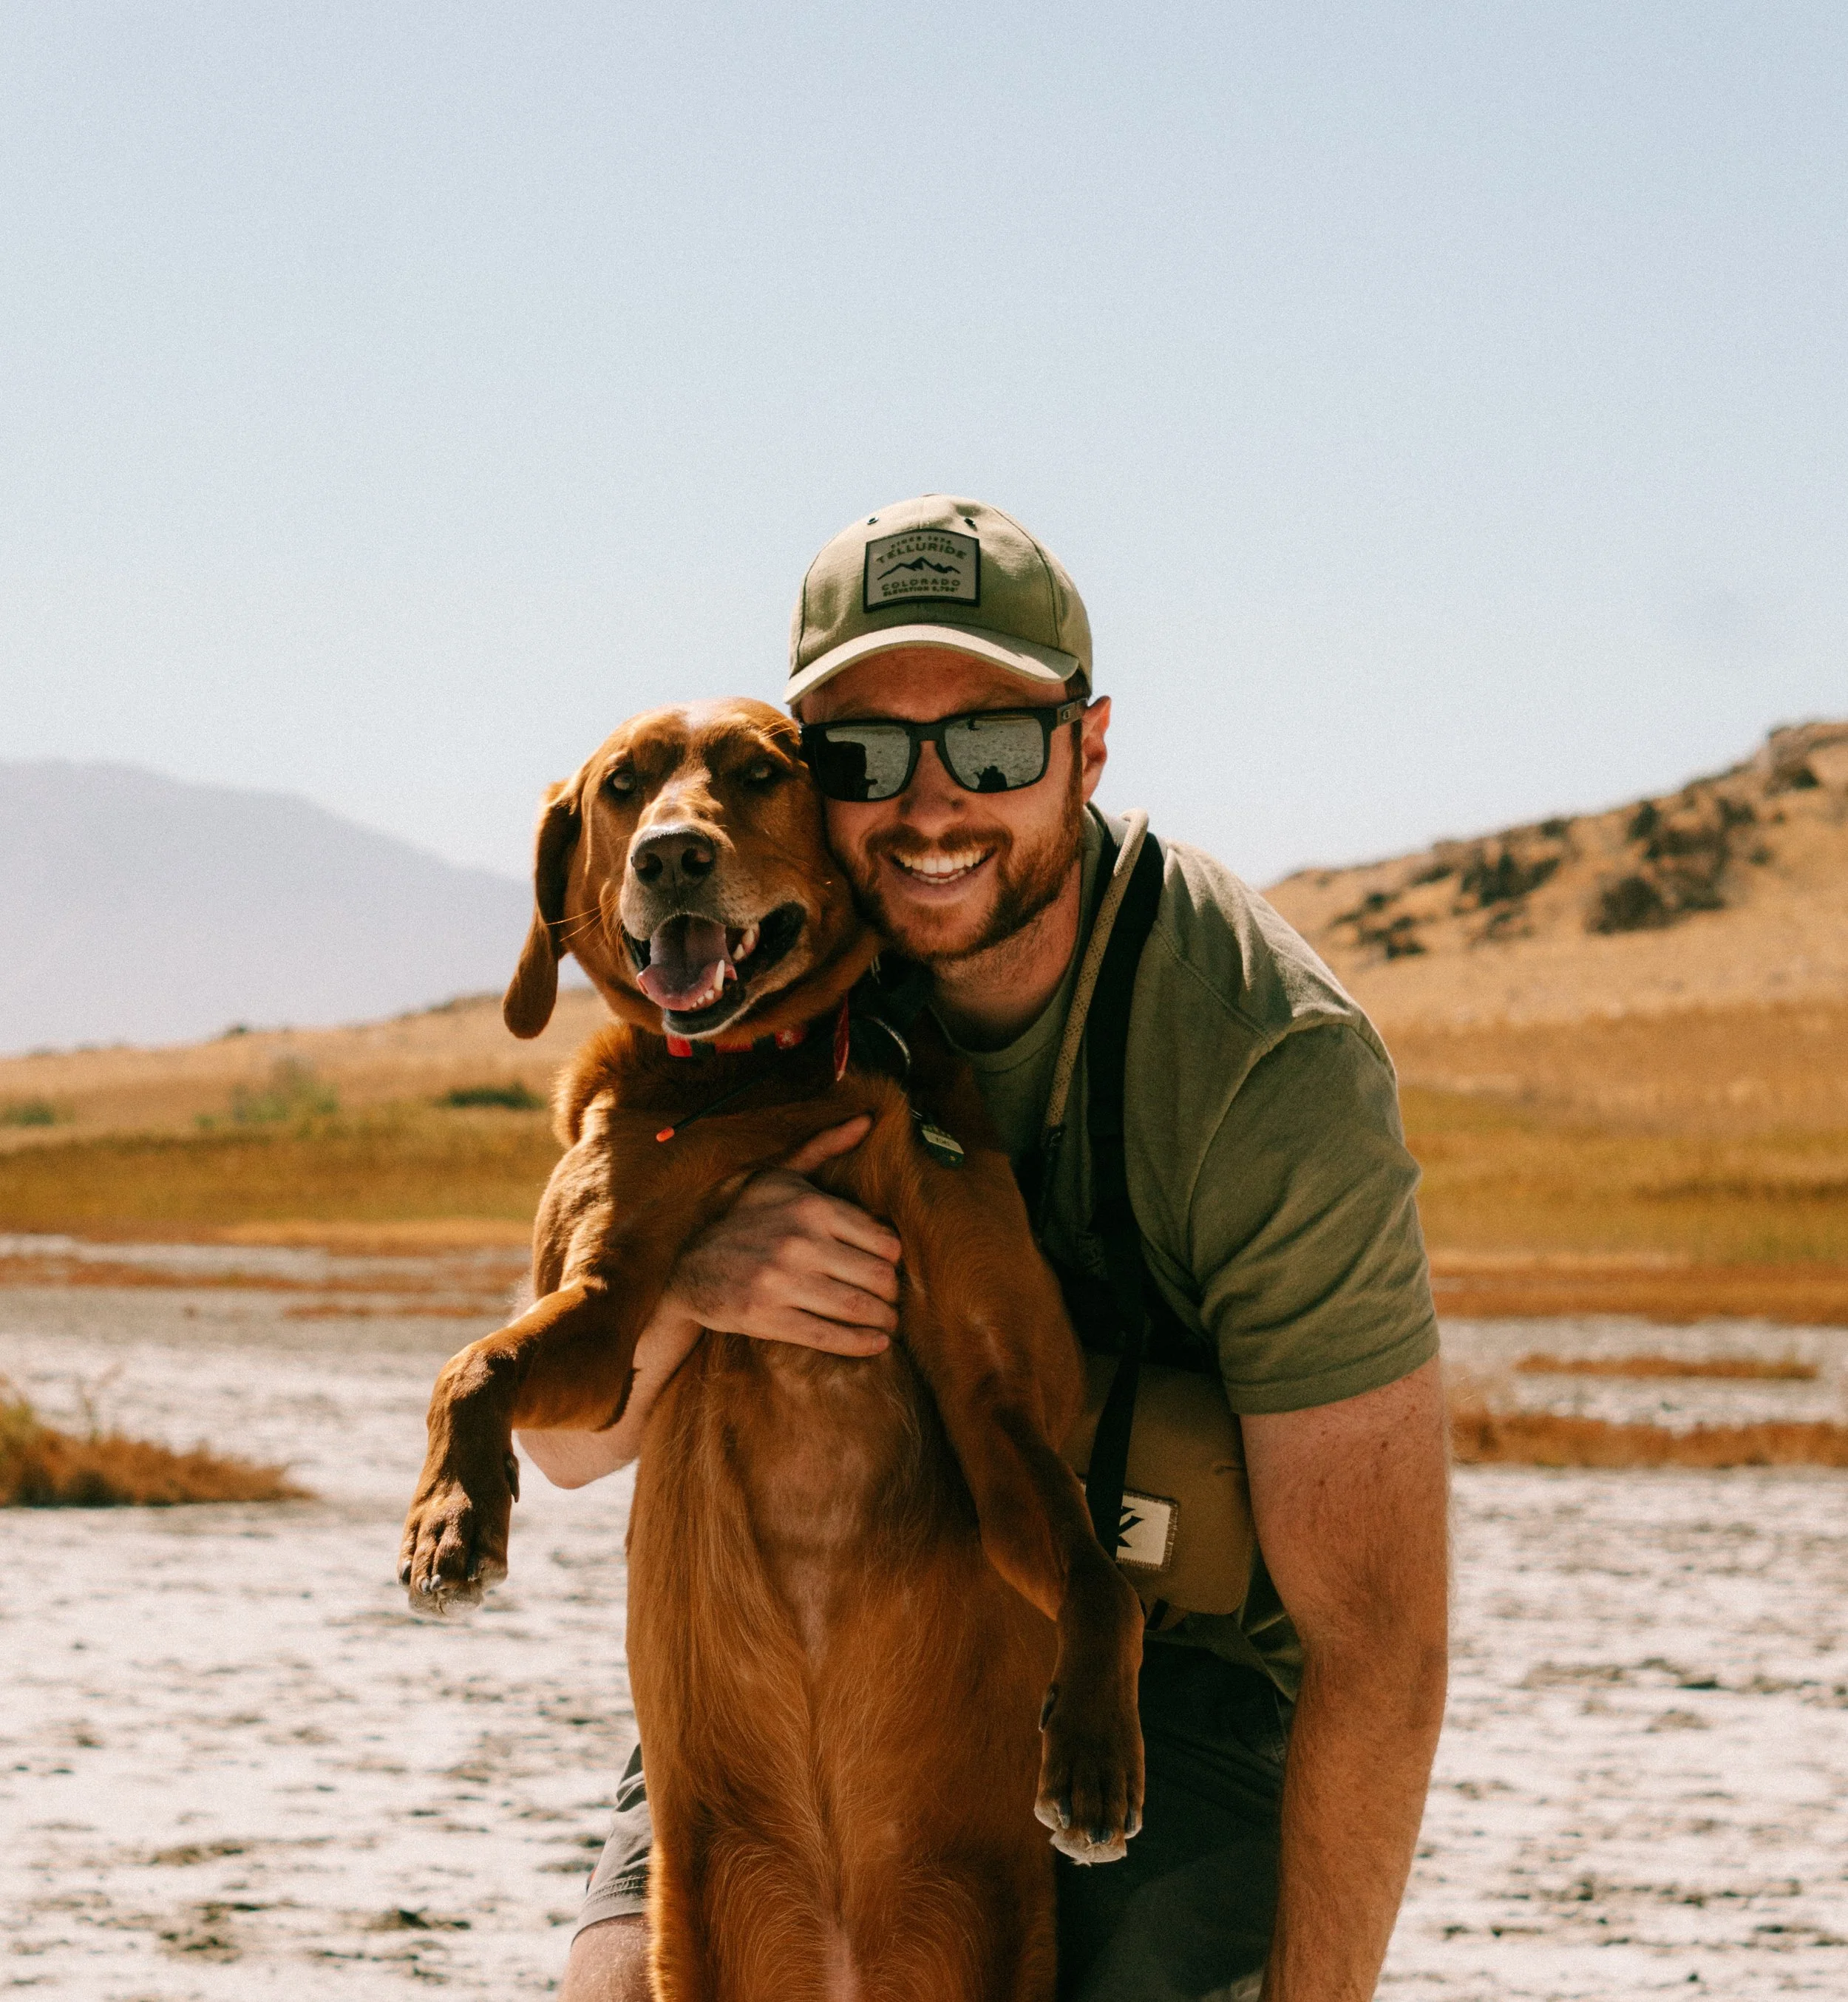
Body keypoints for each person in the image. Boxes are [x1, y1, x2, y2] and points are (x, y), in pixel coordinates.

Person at [522, 495, 1450, 2002]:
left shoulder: (1258, 1058)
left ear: (1085, 750)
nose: (932, 805)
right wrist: (694, 1275)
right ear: (795, 776)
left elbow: (1379, 1635)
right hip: (811, 1646)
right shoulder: (741, 984)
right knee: (622, 1984)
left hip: (1162, 1668)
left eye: (997, 746)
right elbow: (566, 1449)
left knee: (1114, 1963)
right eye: (864, 757)